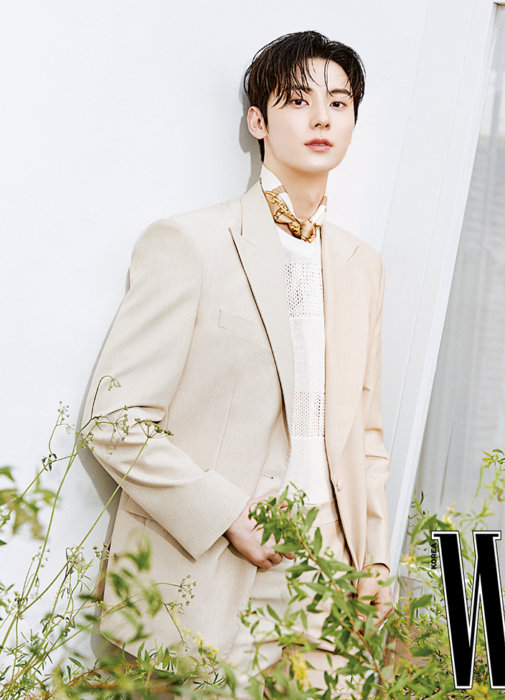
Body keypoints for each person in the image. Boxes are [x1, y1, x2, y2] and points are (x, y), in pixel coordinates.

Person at [82, 29, 392, 695]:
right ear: (258, 121)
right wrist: (226, 515)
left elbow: (364, 436)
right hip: (217, 568)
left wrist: (376, 564)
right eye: (298, 100)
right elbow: (114, 420)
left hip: (331, 575)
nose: (321, 118)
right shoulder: (190, 243)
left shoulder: (362, 266)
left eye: (339, 103)